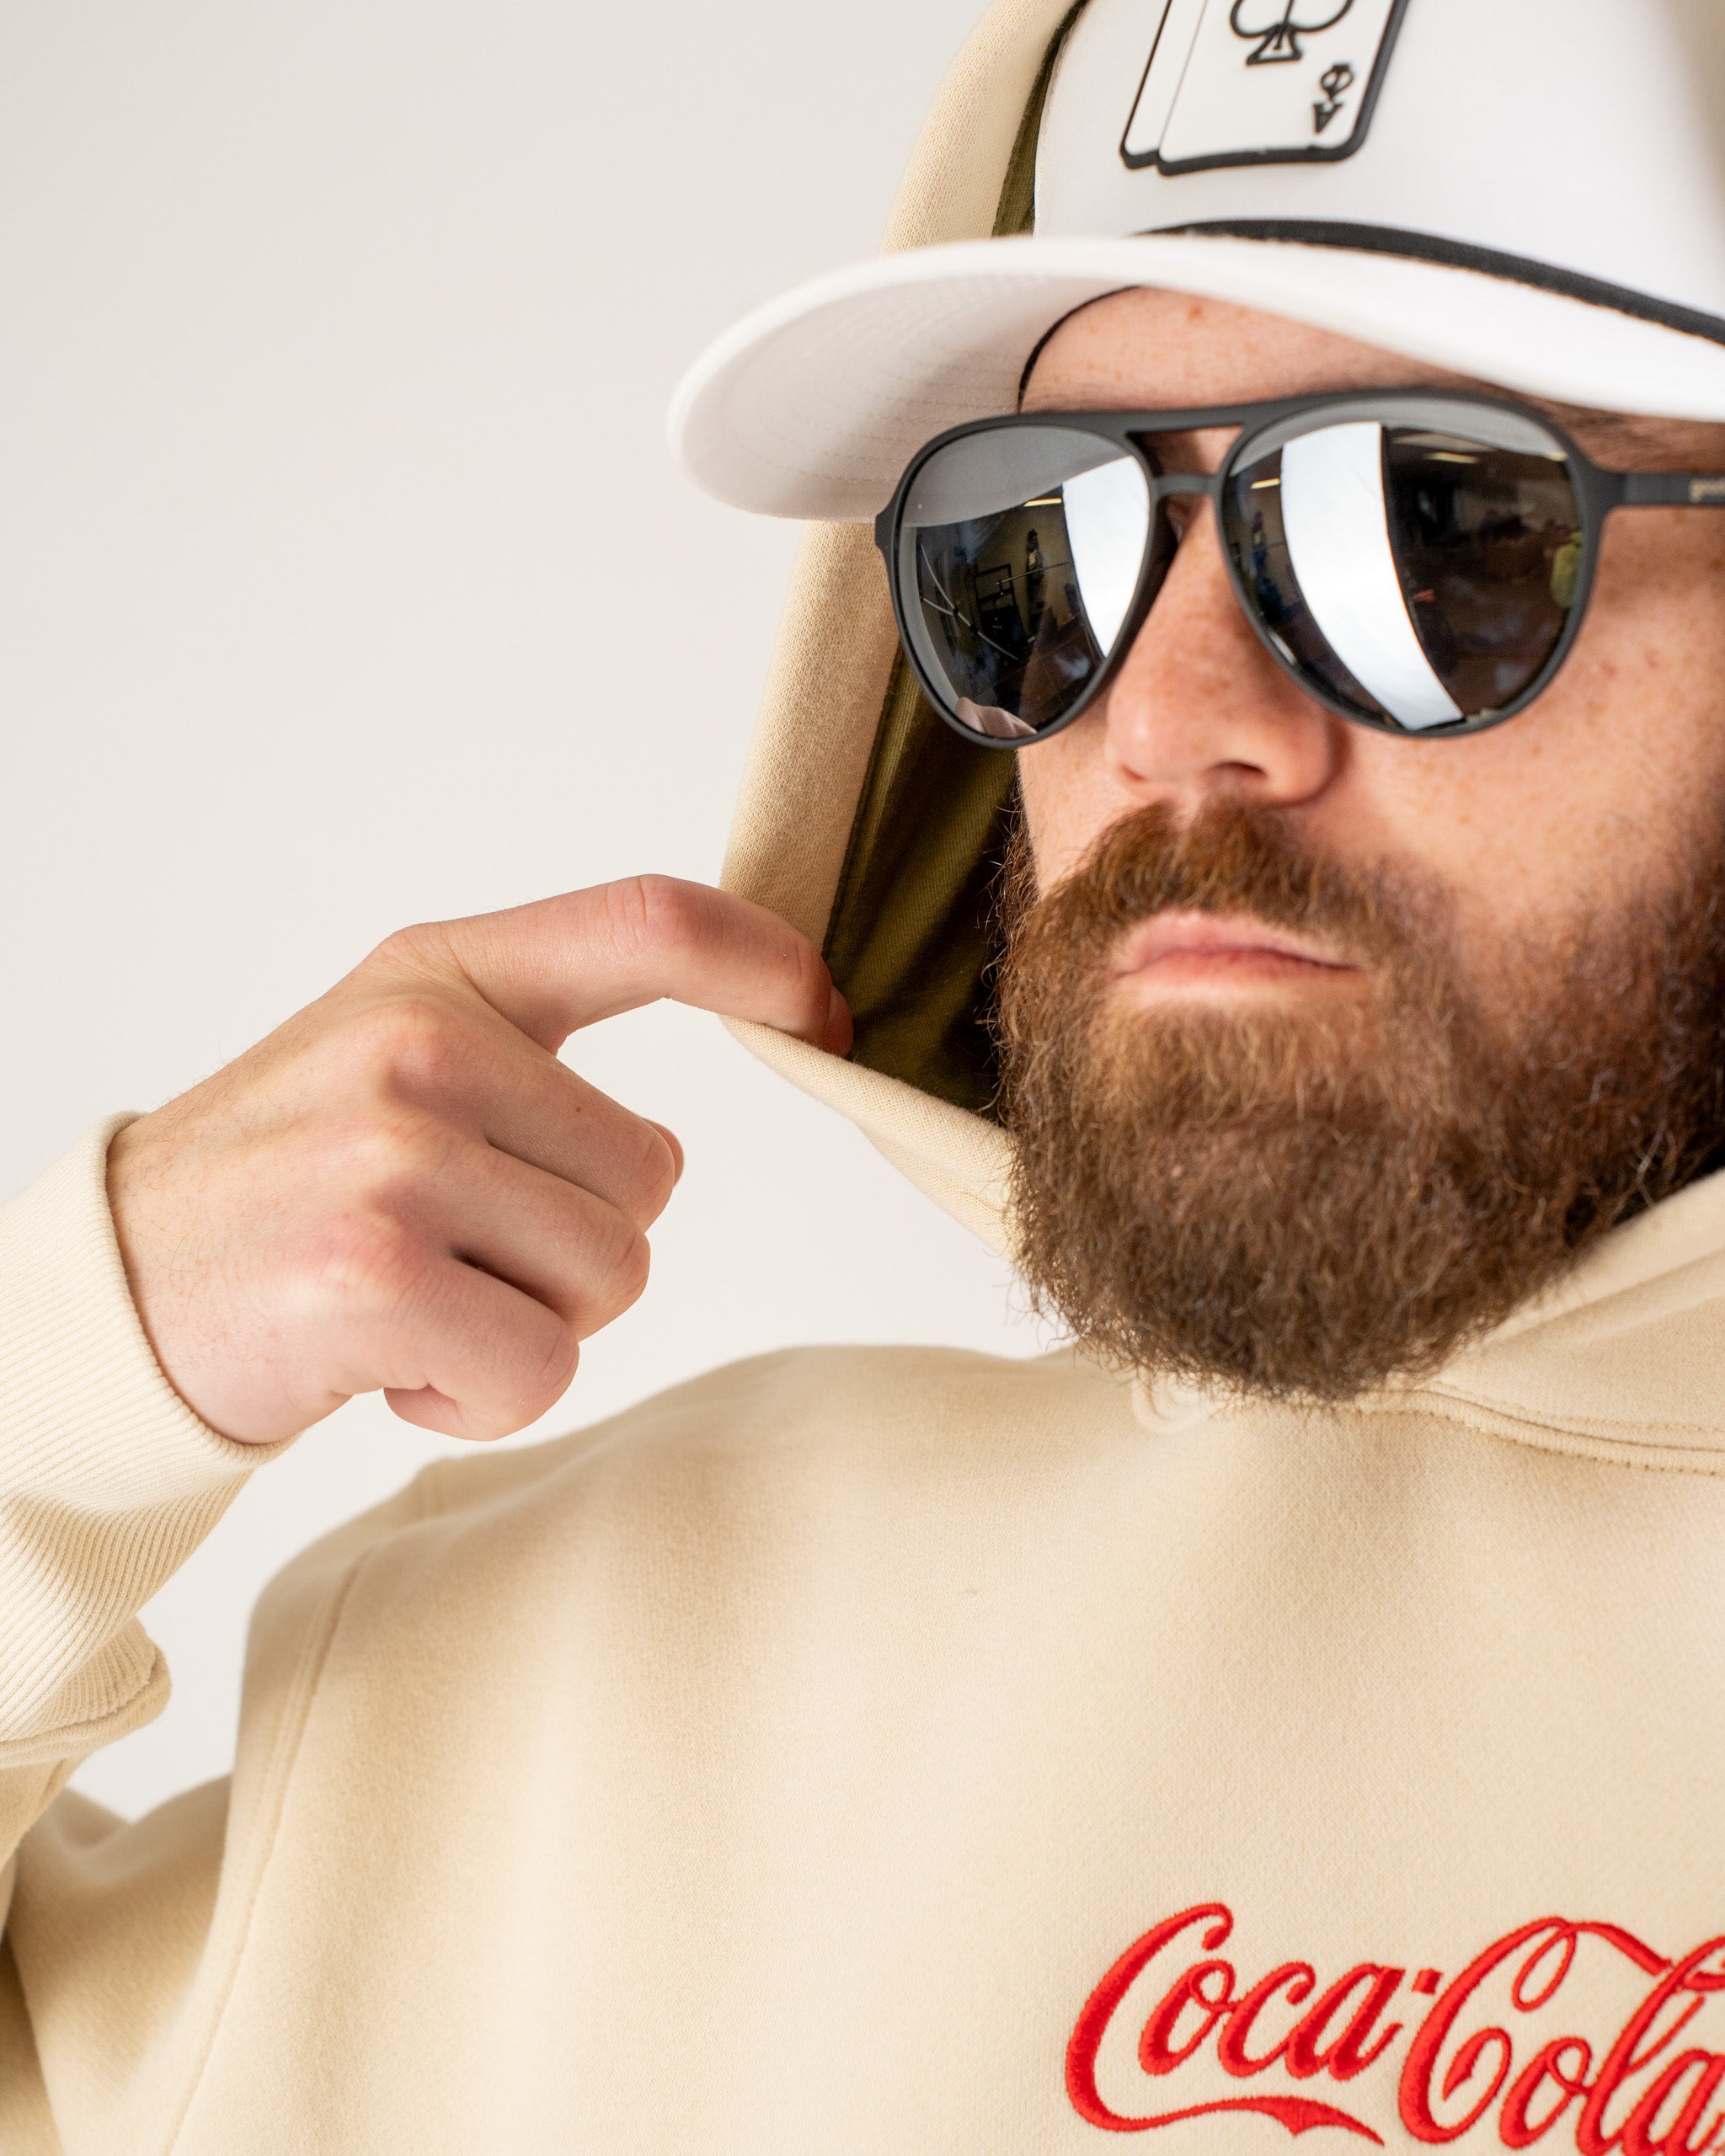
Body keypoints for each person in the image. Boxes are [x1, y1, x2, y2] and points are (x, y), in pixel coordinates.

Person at [7, 1, 1725, 2149]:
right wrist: (70, 1379)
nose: (1171, 715)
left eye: (1431, 522)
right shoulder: (561, 1670)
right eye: (1054, 542)